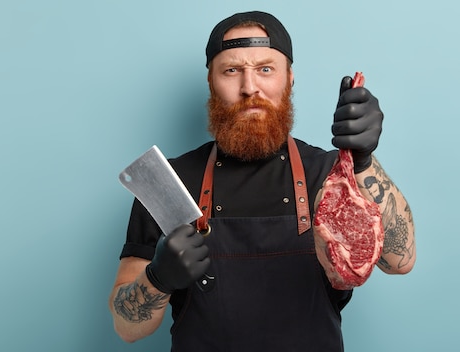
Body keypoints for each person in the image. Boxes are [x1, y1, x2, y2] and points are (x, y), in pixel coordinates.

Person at [108, 10, 416, 351]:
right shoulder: (168, 183)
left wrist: (362, 161)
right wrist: (158, 278)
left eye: (265, 69)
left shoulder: (332, 175)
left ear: (289, 79)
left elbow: (400, 261)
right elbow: (126, 328)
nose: (249, 87)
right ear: (211, 81)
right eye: (231, 70)